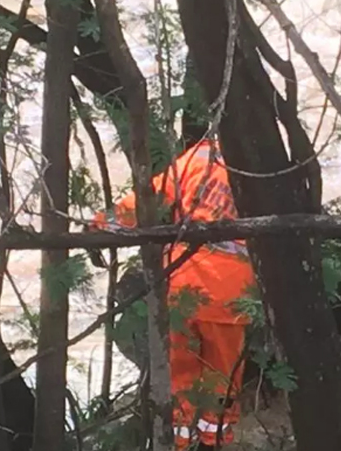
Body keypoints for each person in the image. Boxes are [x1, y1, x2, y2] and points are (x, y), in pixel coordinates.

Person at [89, 136, 255, 451]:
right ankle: (213, 440)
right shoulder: (263, 164)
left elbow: (151, 196)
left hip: (183, 285)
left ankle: (178, 441)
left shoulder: (198, 157)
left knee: (180, 373)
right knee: (222, 376)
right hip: (231, 295)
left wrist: (102, 224)